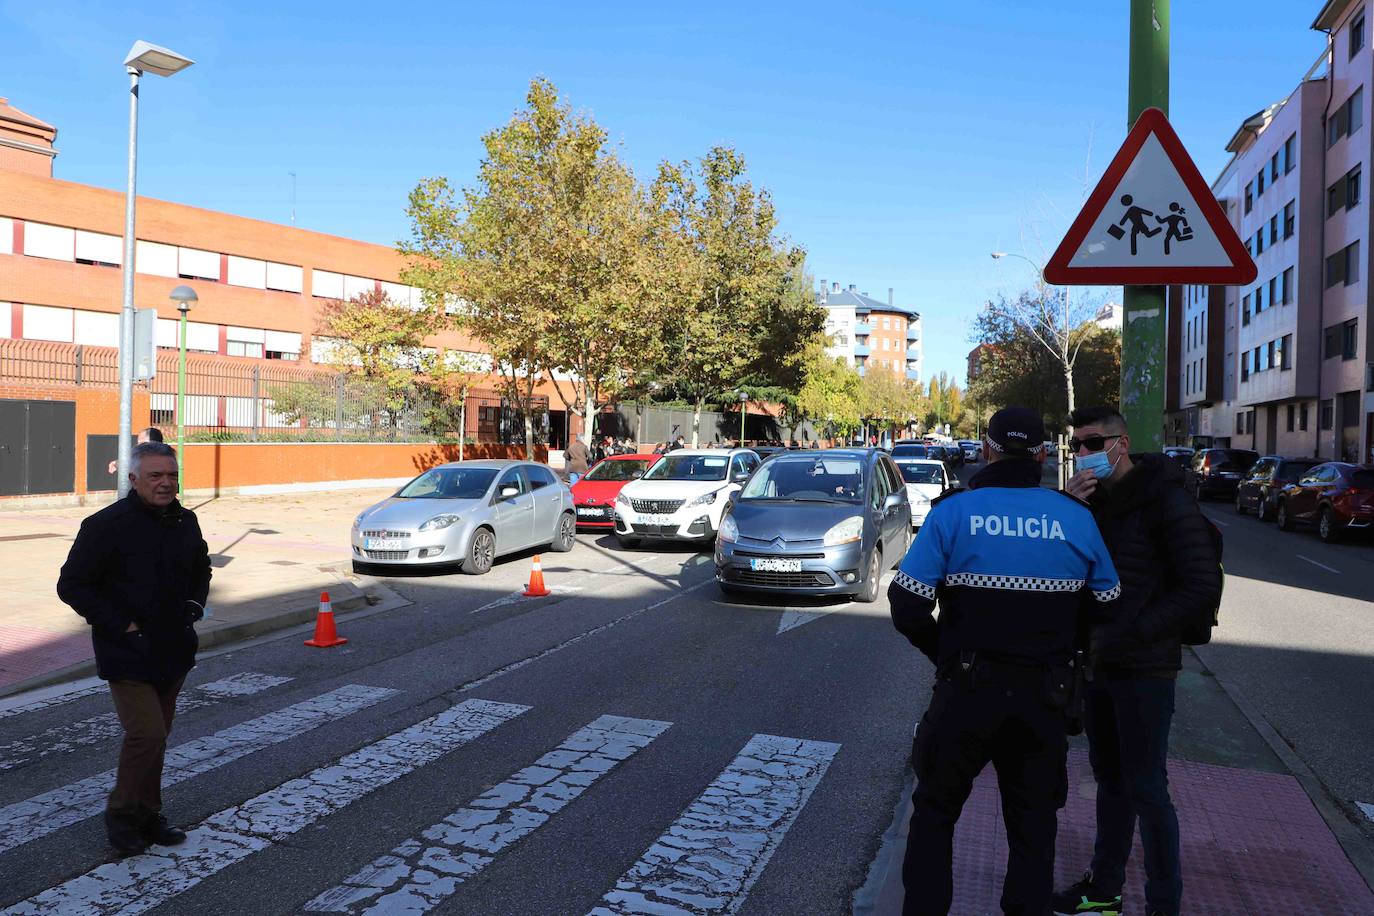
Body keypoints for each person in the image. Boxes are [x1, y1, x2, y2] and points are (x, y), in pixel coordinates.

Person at [889, 407, 1121, 916]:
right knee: (1033, 830)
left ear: (988, 449)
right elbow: (1109, 605)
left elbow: (907, 605)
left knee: (935, 815)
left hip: (966, 692)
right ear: (1041, 455)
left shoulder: (954, 513)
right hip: (1044, 699)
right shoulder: (1076, 519)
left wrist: (948, 657)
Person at [1052, 407, 1222, 916]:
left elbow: (1199, 585)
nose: (1083, 453)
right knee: (1110, 782)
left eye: (1092, 442)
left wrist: (1138, 631)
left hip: (1146, 668)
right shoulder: (1090, 503)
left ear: (1121, 443)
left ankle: (1163, 904)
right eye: (1077, 444)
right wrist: (1068, 510)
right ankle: (1104, 890)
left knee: (1148, 789)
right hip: (1099, 664)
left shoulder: (1165, 500)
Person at [57, 441, 211, 856]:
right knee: (146, 734)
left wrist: (194, 606)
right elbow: (71, 585)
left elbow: (202, 568)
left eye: (172, 476)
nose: (166, 484)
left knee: (158, 738)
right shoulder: (105, 525)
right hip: (126, 651)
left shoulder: (185, 521)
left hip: (174, 649)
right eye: (156, 476)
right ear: (133, 479)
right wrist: (120, 624)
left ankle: (149, 814)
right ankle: (122, 815)